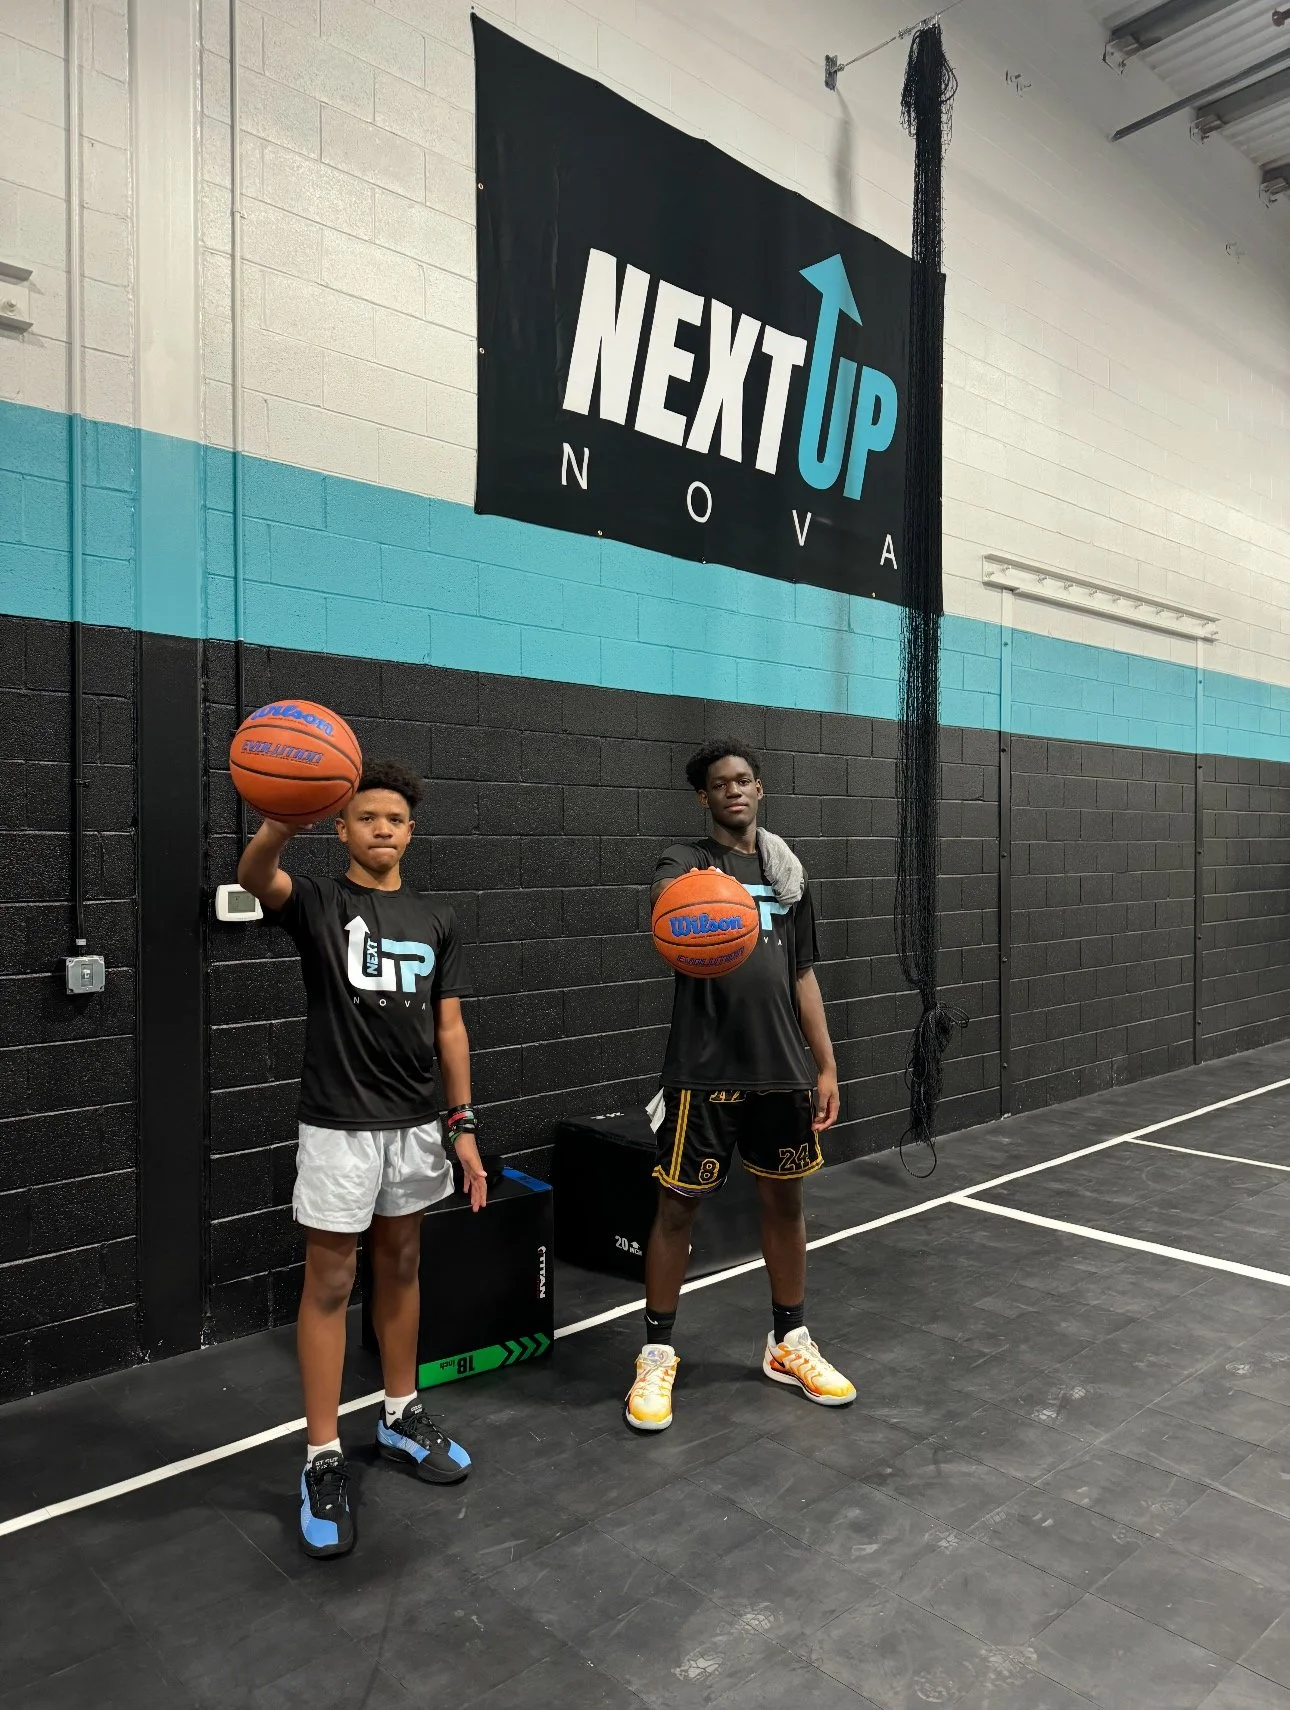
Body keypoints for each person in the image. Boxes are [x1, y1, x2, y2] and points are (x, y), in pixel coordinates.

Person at [238, 758, 488, 1558]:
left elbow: (449, 1028)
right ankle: (321, 1457)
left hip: (418, 1121)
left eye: (396, 819)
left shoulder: (438, 916)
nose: (383, 827)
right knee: (333, 1278)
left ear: (412, 832)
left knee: (404, 1263)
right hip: (341, 1124)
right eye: (367, 817)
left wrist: (463, 1124)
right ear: (342, 828)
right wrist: (282, 818)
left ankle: (400, 1416)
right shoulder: (318, 902)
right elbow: (254, 875)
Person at [625, 738, 855, 1432]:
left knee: (785, 1205)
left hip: (781, 1069)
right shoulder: (686, 861)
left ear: (760, 789)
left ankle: (788, 1342)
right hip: (705, 1069)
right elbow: (666, 901)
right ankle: (657, 1351)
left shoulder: (789, 877)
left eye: (746, 780)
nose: (735, 791)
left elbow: (803, 975)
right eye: (721, 783)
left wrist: (827, 1064)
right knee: (676, 1210)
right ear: (705, 797)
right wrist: (690, 899)